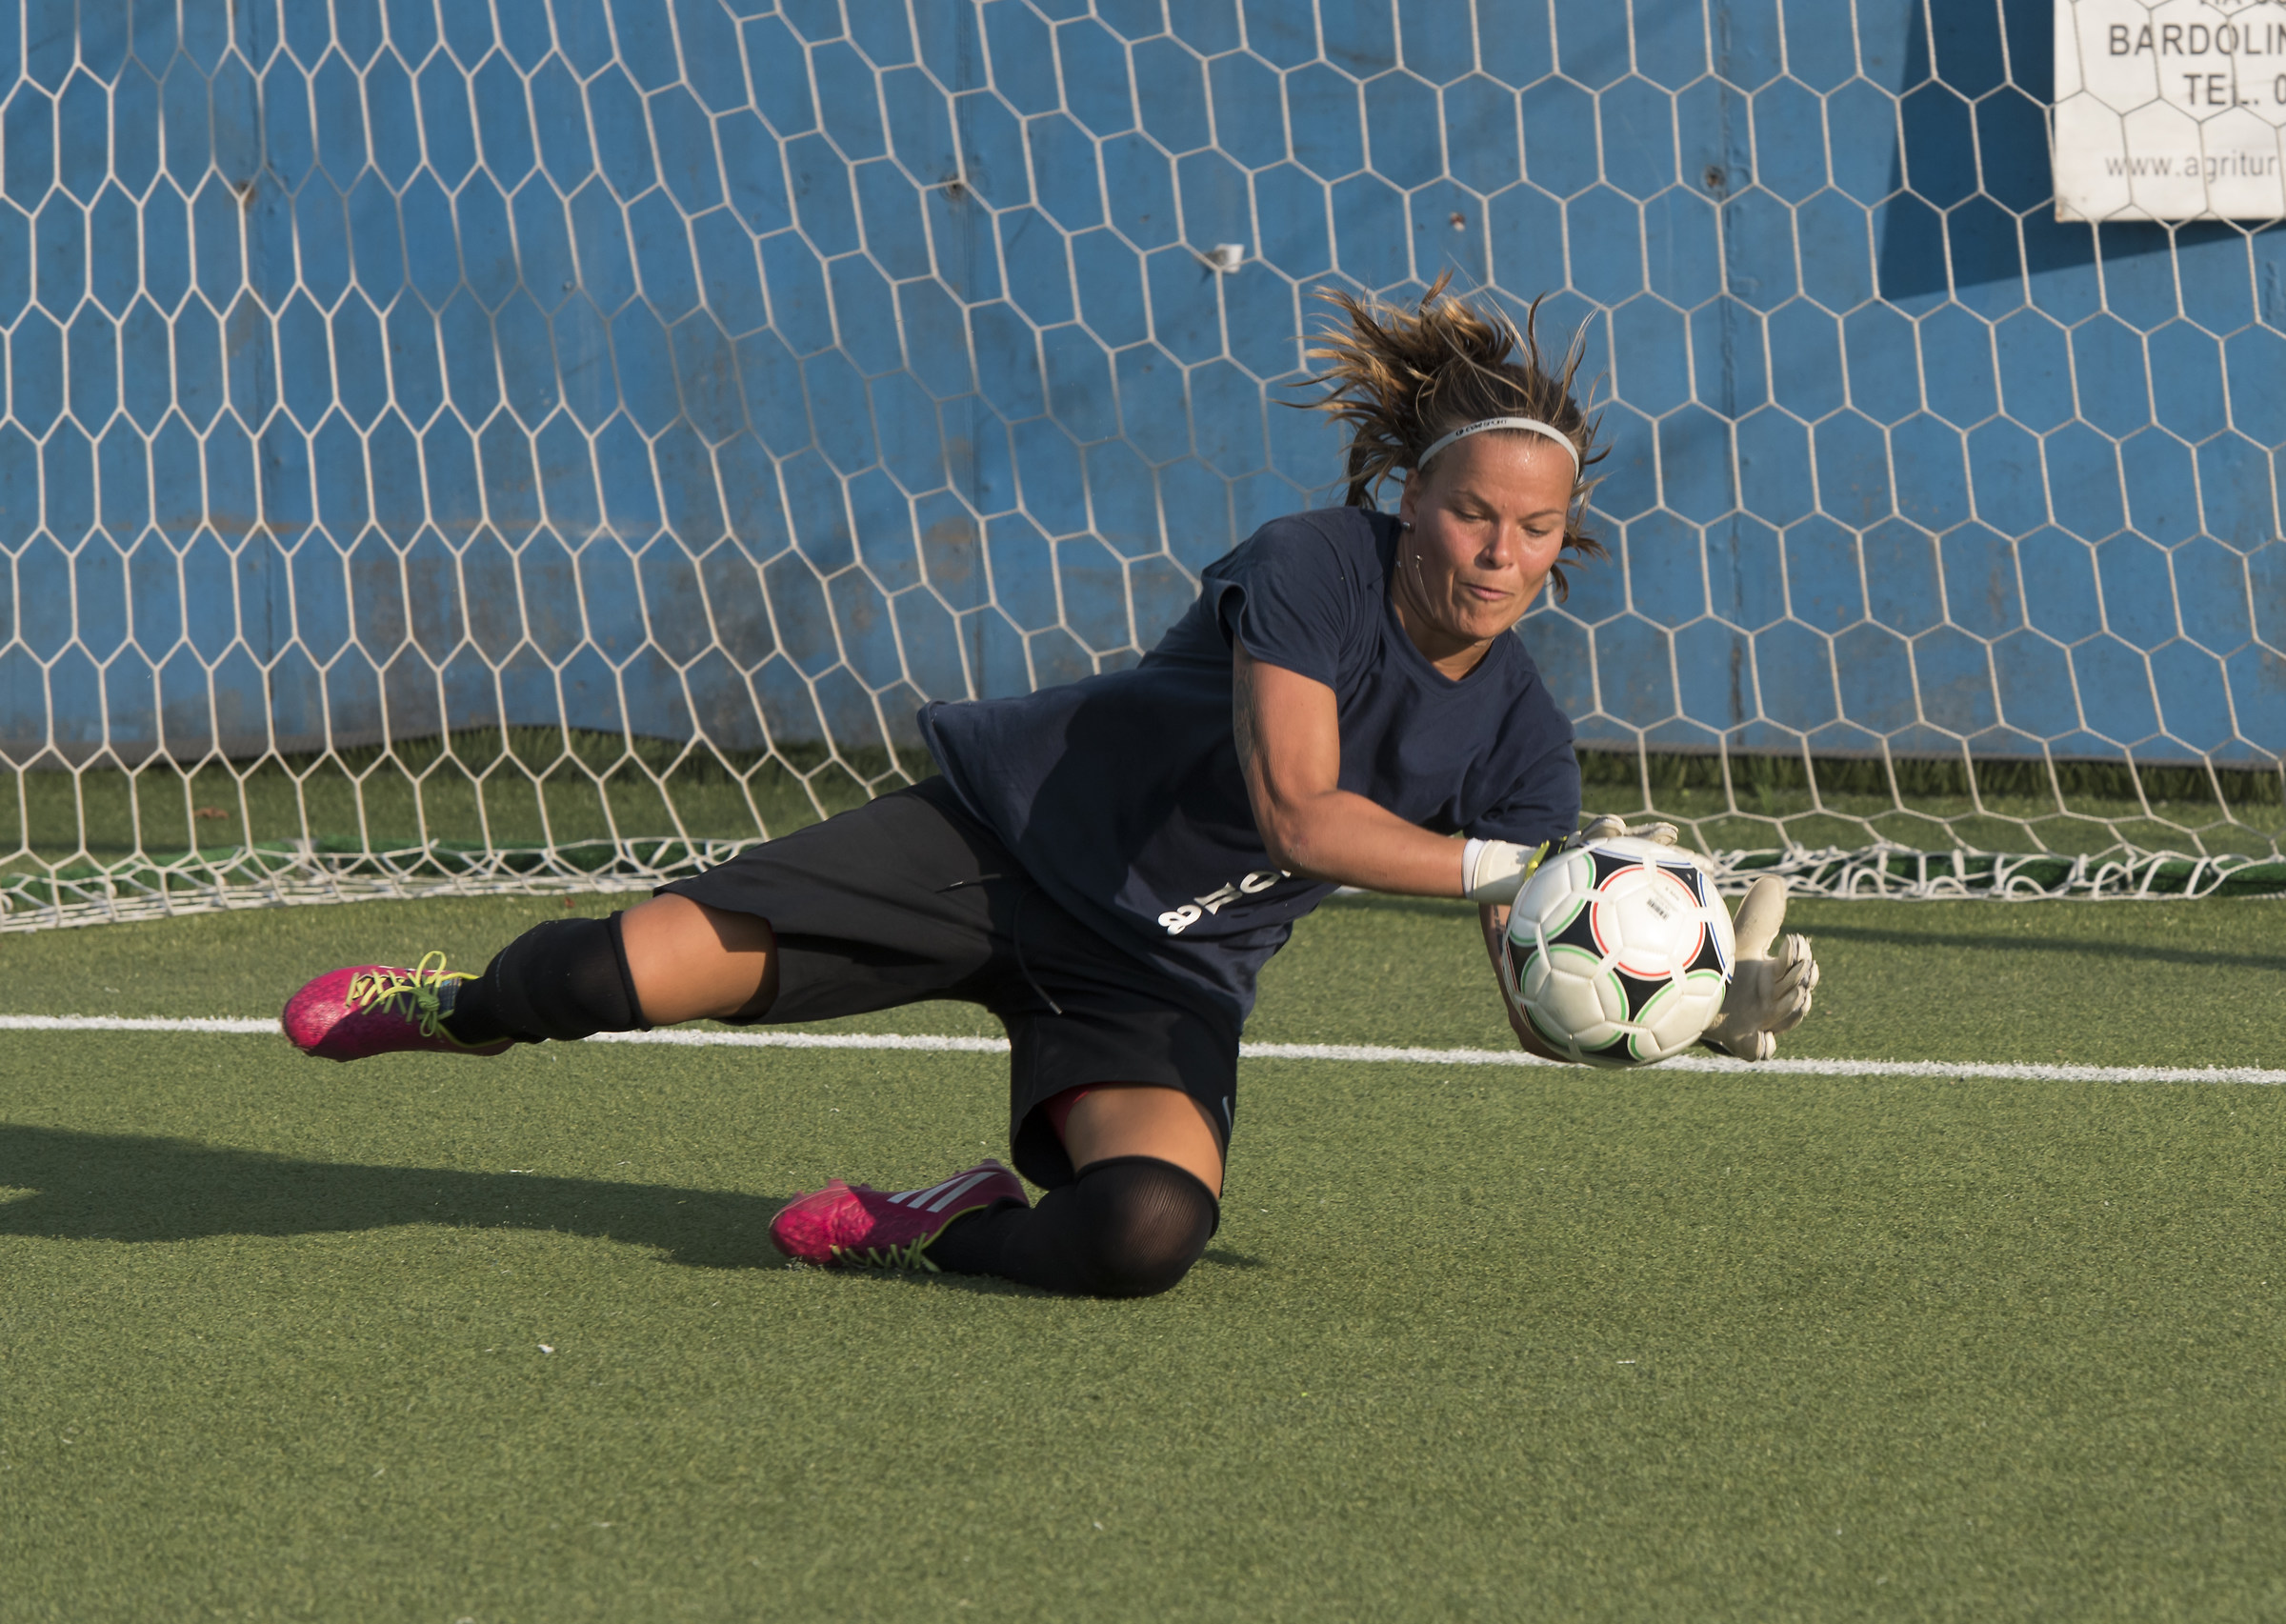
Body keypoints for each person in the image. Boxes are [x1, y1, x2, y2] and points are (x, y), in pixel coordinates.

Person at [280, 282, 1817, 1297]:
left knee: (1144, 1234)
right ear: (1410, 497)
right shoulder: (1312, 568)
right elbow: (1299, 815)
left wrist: (1678, 1002)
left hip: (1162, 968)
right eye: (1472, 512)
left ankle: (938, 1227)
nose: (1499, 553)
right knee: (614, 970)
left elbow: (1527, 973)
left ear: (1567, 539)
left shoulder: (1527, 744)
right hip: (996, 845)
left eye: (1535, 530)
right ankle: (459, 1001)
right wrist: (1517, 872)